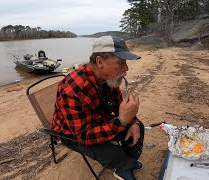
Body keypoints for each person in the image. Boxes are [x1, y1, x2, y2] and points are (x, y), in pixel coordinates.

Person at [52, 35, 144, 180]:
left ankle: (128, 162)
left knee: (138, 126)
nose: (126, 69)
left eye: (125, 62)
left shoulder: (108, 78)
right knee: (112, 154)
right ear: (100, 61)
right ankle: (122, 165)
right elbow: (83, 136)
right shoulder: (74, 89)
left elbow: (118, 102)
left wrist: (132, 120)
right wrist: (121, 121)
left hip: (98, 121)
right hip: (73, 134)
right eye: (120, 62)